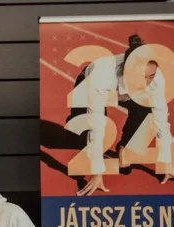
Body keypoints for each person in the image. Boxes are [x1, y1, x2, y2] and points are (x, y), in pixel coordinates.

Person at [70, 34, 173, 195]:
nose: (147, 82)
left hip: (126, 92)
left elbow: (161, 124)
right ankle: (75, 119)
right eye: (141, 77)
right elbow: (96, 128)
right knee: (83, 135)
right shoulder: (101, 77)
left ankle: (123, 147)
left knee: (146, 112)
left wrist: (167, 162)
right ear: (127, 71)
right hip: (93, 87)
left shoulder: (156, 80)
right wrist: (97, 173)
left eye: (151, 76)